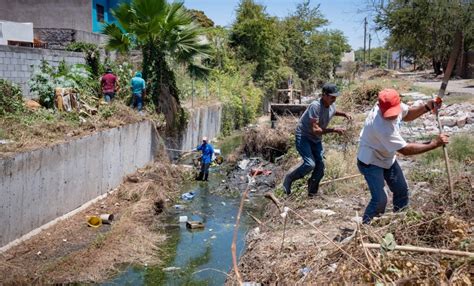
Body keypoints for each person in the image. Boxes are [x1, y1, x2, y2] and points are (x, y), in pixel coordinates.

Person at [357, 89, 449, 224]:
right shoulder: (380, 126)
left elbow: (407, 114)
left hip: (387, 157)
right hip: (371, 161)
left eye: (393, 113)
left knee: (401, 190)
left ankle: (400, 224)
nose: (392, 116)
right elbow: (405, 150)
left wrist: (427, 107)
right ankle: (365, 231)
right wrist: (434, 143)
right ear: (380, 107)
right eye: (388, 114)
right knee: (380, 199)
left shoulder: (395, 105)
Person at [283, 83, 352, 197]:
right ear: (324, 95)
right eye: (332, 97)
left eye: (335, 97)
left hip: (316, 139)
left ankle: (312, 192)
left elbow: (334, 111)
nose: (334, 99)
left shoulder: (331, 105)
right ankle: (289, 178)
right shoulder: (315, 106)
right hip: (304, 136)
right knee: (310, 164)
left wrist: (345, 114)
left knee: (320, 168)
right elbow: (316, 130)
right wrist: (334, 130)